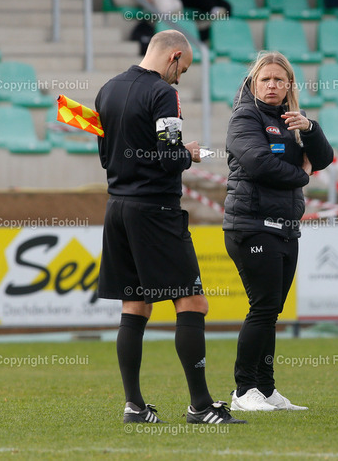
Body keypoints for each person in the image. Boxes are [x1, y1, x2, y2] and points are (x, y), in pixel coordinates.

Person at [95, 29, 245, 424]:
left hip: (117, 208)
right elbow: (168, 157)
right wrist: (188, 153)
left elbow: (106, 157)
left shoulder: (108, 90)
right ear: (174, 56)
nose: (179, 79)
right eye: (183, 70)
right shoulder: (163, 93)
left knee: (135, 305)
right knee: (193, 302)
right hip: (155, 210)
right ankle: (201, 406)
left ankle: (134, 406)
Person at [224, 51, 334, 411]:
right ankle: (244, 391)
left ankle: (266, 388)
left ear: (289, 85)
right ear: (254, 83)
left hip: (285, 228)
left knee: (271, 311)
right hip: (251, 226)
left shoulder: (293, 120)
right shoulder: (244, 116)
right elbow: (259, 164)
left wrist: (311, 129)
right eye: (265, 79)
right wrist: (302, 175)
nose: (272, 85)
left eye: (278, 80)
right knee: (263, 308)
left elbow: (324, 158)